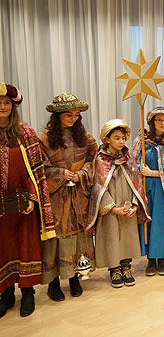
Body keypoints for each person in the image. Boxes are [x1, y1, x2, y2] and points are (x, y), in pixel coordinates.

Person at [0, 83, 55, 318]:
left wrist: (33, 198)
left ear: (14, 106)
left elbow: (36, 169)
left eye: (7, 103)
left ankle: (28, 293)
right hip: (1, 206)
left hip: (24, 203)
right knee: (3, 248)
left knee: (26, 246)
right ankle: (6, 295)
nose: (2, 106)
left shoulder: (26, 133)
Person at [39, 94, 97, 302]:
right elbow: (39, 168)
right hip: (56, 197)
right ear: (57, 115)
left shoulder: (86, 137)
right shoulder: (44, 139)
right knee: (56, 237)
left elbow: (93, 161)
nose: (73, 118)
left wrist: (81, 174)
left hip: (79, 194)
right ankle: (54, 282)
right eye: (68, 114)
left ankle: (75, 277)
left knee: (78, 235)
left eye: (76, 115)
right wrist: (60, 174)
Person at [85, 119, 149, 288]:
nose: (121, 142)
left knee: (127, 236)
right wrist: (112, 207)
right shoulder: (100, 160)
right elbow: (98, 186)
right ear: (107, 139)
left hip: (126, 204)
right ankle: (114, 269)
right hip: (111, 207)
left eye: (123, 138)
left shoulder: (128, 158)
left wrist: (135, 204)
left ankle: (126, 267)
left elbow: (137, 183)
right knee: (112, 237)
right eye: (117, 138)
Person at [130, 107, 164, 276]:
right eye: (159, 120)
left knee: (161, 223)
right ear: (151, 122)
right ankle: (150, 259)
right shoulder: (140, 141)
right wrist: (139, 170)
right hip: (145, 188)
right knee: (147, 222)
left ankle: (161, 257)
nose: (162, 123)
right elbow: (131, 164)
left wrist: (153, 173)